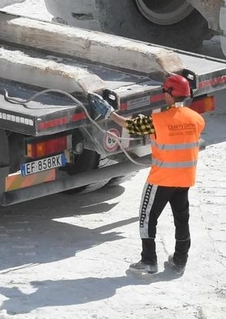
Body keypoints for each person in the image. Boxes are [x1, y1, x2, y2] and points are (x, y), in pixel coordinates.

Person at [87, 74, 205, 277]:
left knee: (147, 219)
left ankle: (149, 261)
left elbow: (130, 125)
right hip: (185, 178)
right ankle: (180, 260)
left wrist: (109, 113)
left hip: (161, 179)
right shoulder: (197, 119)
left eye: (164, 92)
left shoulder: (158, 122)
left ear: (169, 95)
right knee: (181, 219)